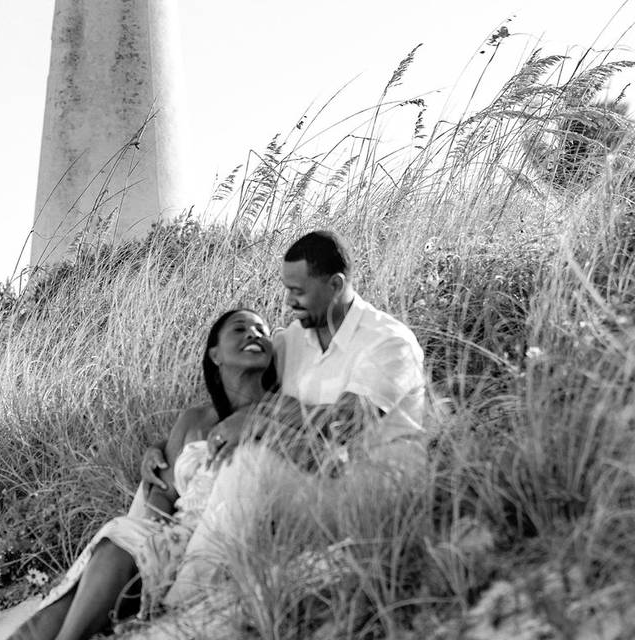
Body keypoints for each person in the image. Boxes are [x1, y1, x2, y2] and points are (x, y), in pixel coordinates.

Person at [141, 230, 427, 602]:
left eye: (299, 291)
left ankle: (182, 602)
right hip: (312, 482)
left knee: (250, 460)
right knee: (183, 464)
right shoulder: (294, 340)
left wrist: (261, 419)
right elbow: (237, 389)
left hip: (374, 498)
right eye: (286, 289)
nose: (289, 301)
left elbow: (347, 422)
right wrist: (166, 443)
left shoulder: (388, 340)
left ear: (336, 284)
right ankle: (141, 570)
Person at [7, 309, 278, 640]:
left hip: (220, 539)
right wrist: (157, 537)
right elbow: (163, 492)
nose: (254, 334)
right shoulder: (193, 420)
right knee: (41, 622)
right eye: (241, 329)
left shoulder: (282, 408)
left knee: (117, 541)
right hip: (169, 539)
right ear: (215, 355)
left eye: (262, 330)